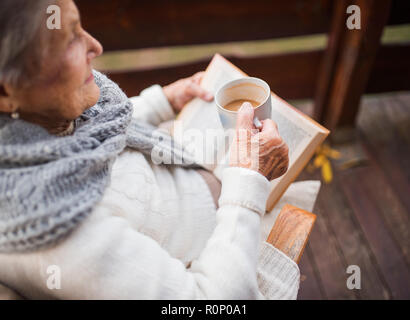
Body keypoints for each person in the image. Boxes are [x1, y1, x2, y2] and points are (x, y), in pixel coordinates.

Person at [0, 0, 317, 299]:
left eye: (80, 27)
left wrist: (162, 101)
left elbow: (88, 138)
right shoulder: (59, 235)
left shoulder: (34, 128)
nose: (95, 47)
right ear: (5, 92)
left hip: (199, 185)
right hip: (229, 243)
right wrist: (248, 183)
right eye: (68, 41)